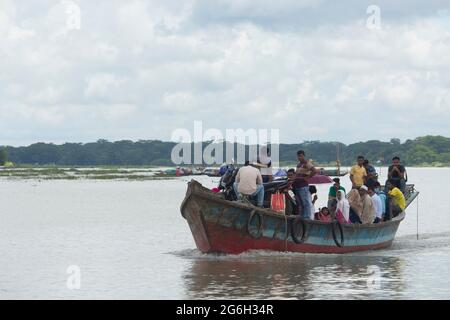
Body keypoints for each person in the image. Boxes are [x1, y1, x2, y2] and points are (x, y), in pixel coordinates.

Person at [291, 150, 317, 219]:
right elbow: (296, 174)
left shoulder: (307, 163)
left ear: (304, 156)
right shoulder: (298, 164)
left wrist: (307, 177)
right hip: (297, 185)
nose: (299, 157)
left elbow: (314, 171)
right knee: (301, 203)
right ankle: (302, 216)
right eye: (298, 156)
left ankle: (307, 217)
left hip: (303, 186)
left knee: (305, 202)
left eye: (301, 156)